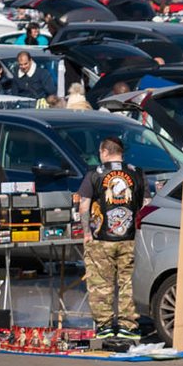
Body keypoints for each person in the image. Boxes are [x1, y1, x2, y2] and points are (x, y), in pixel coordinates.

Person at [75, 136, 144, 343]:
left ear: (105, 151)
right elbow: (145, 204)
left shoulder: (93, 175)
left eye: (100, 152)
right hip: (131, 238)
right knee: (128, 283)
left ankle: (104, 326)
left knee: (100, 284)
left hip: (101, 239)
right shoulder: (137, 173)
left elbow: (84, 207)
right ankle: (128, 326)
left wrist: (86, 232)